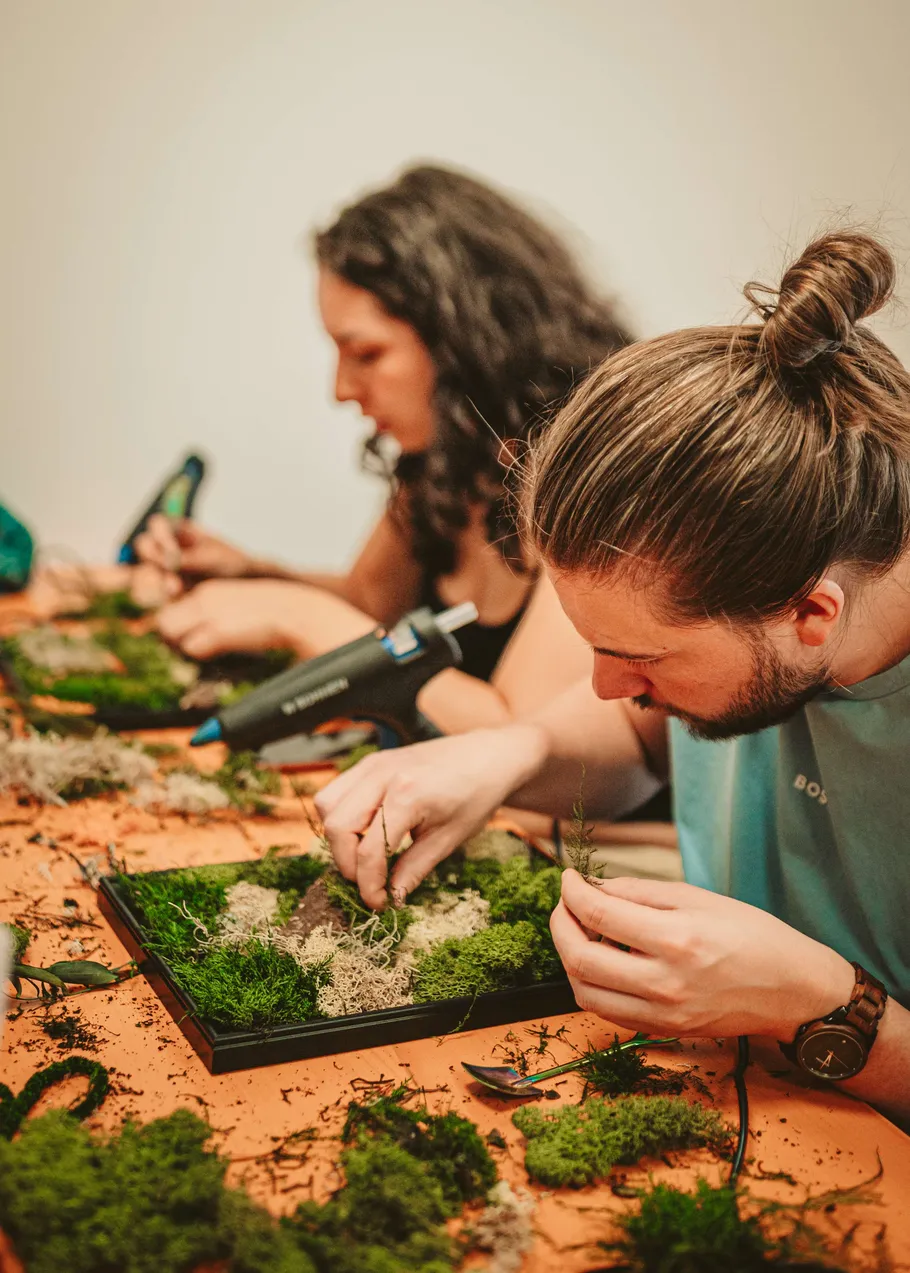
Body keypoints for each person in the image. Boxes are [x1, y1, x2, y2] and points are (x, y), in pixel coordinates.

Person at [316, 230, 910, 1123]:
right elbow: (643, 734)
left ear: (810, 612)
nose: (603, 684)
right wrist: (510, 754)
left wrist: (826, 1006)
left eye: (640, 658)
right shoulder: (761, 626)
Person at [133, 164, 633, 735]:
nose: (341, 390)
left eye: (365, 353)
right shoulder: (445, 463)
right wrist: (254, 577)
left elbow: (523, 739)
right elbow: (371, 607)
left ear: (464, 336)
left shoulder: (597, 475)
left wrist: (298, 617)